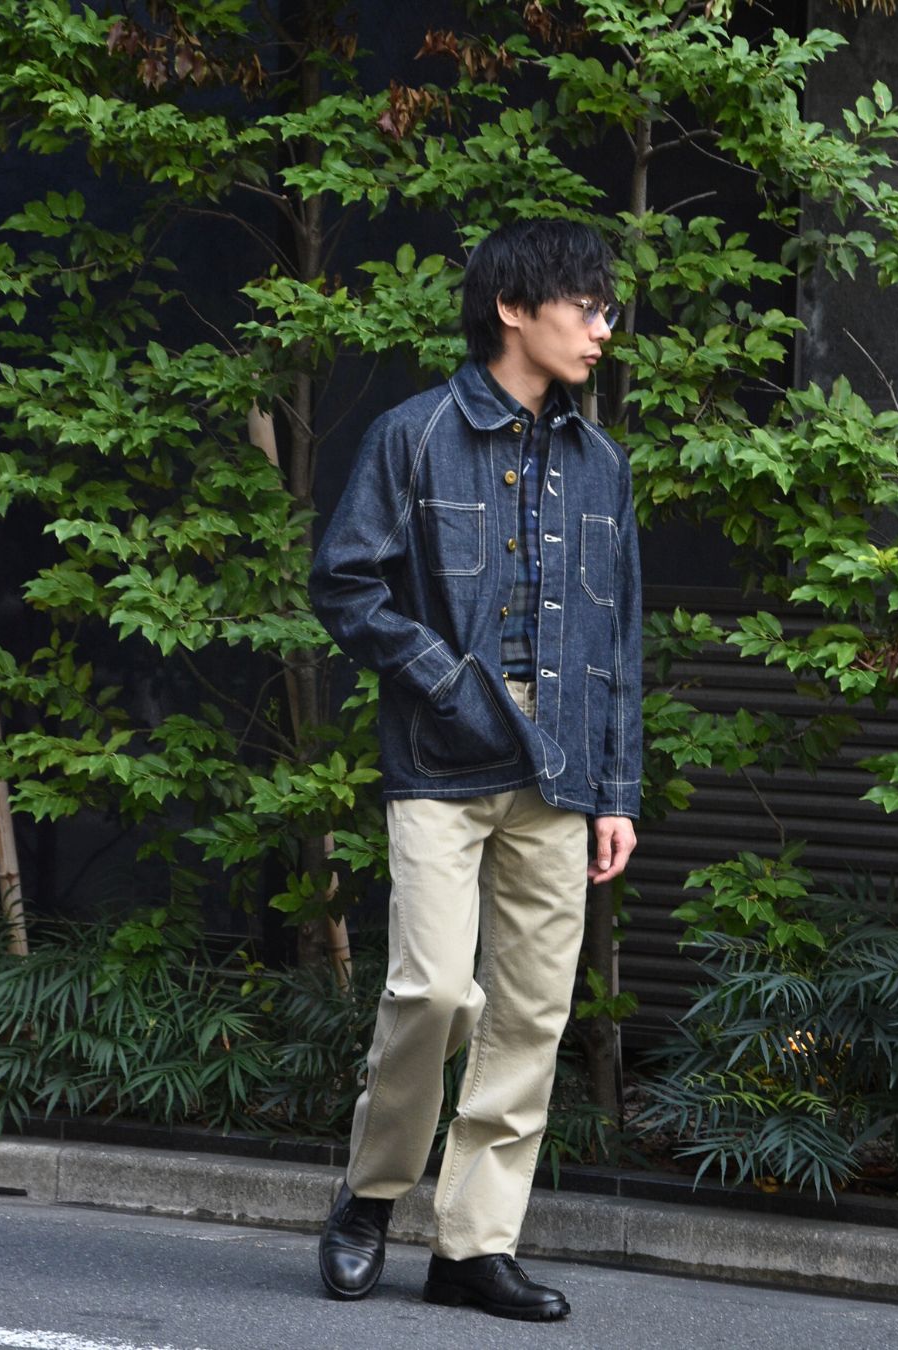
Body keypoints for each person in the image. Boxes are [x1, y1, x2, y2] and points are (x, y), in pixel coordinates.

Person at [308, 218, 642, 1323]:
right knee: (436, 992)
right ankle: (371, 1194)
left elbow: (619, 639)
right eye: (585, 306)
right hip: (442, 755)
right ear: (512, 309)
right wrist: (443, 681)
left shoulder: (603, 468)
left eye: (604, 308)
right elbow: (346, 583)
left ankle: (472, 1246)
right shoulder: (413, 436)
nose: (603, 327)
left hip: (562, 767)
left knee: (533, 1014)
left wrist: (617, 792)